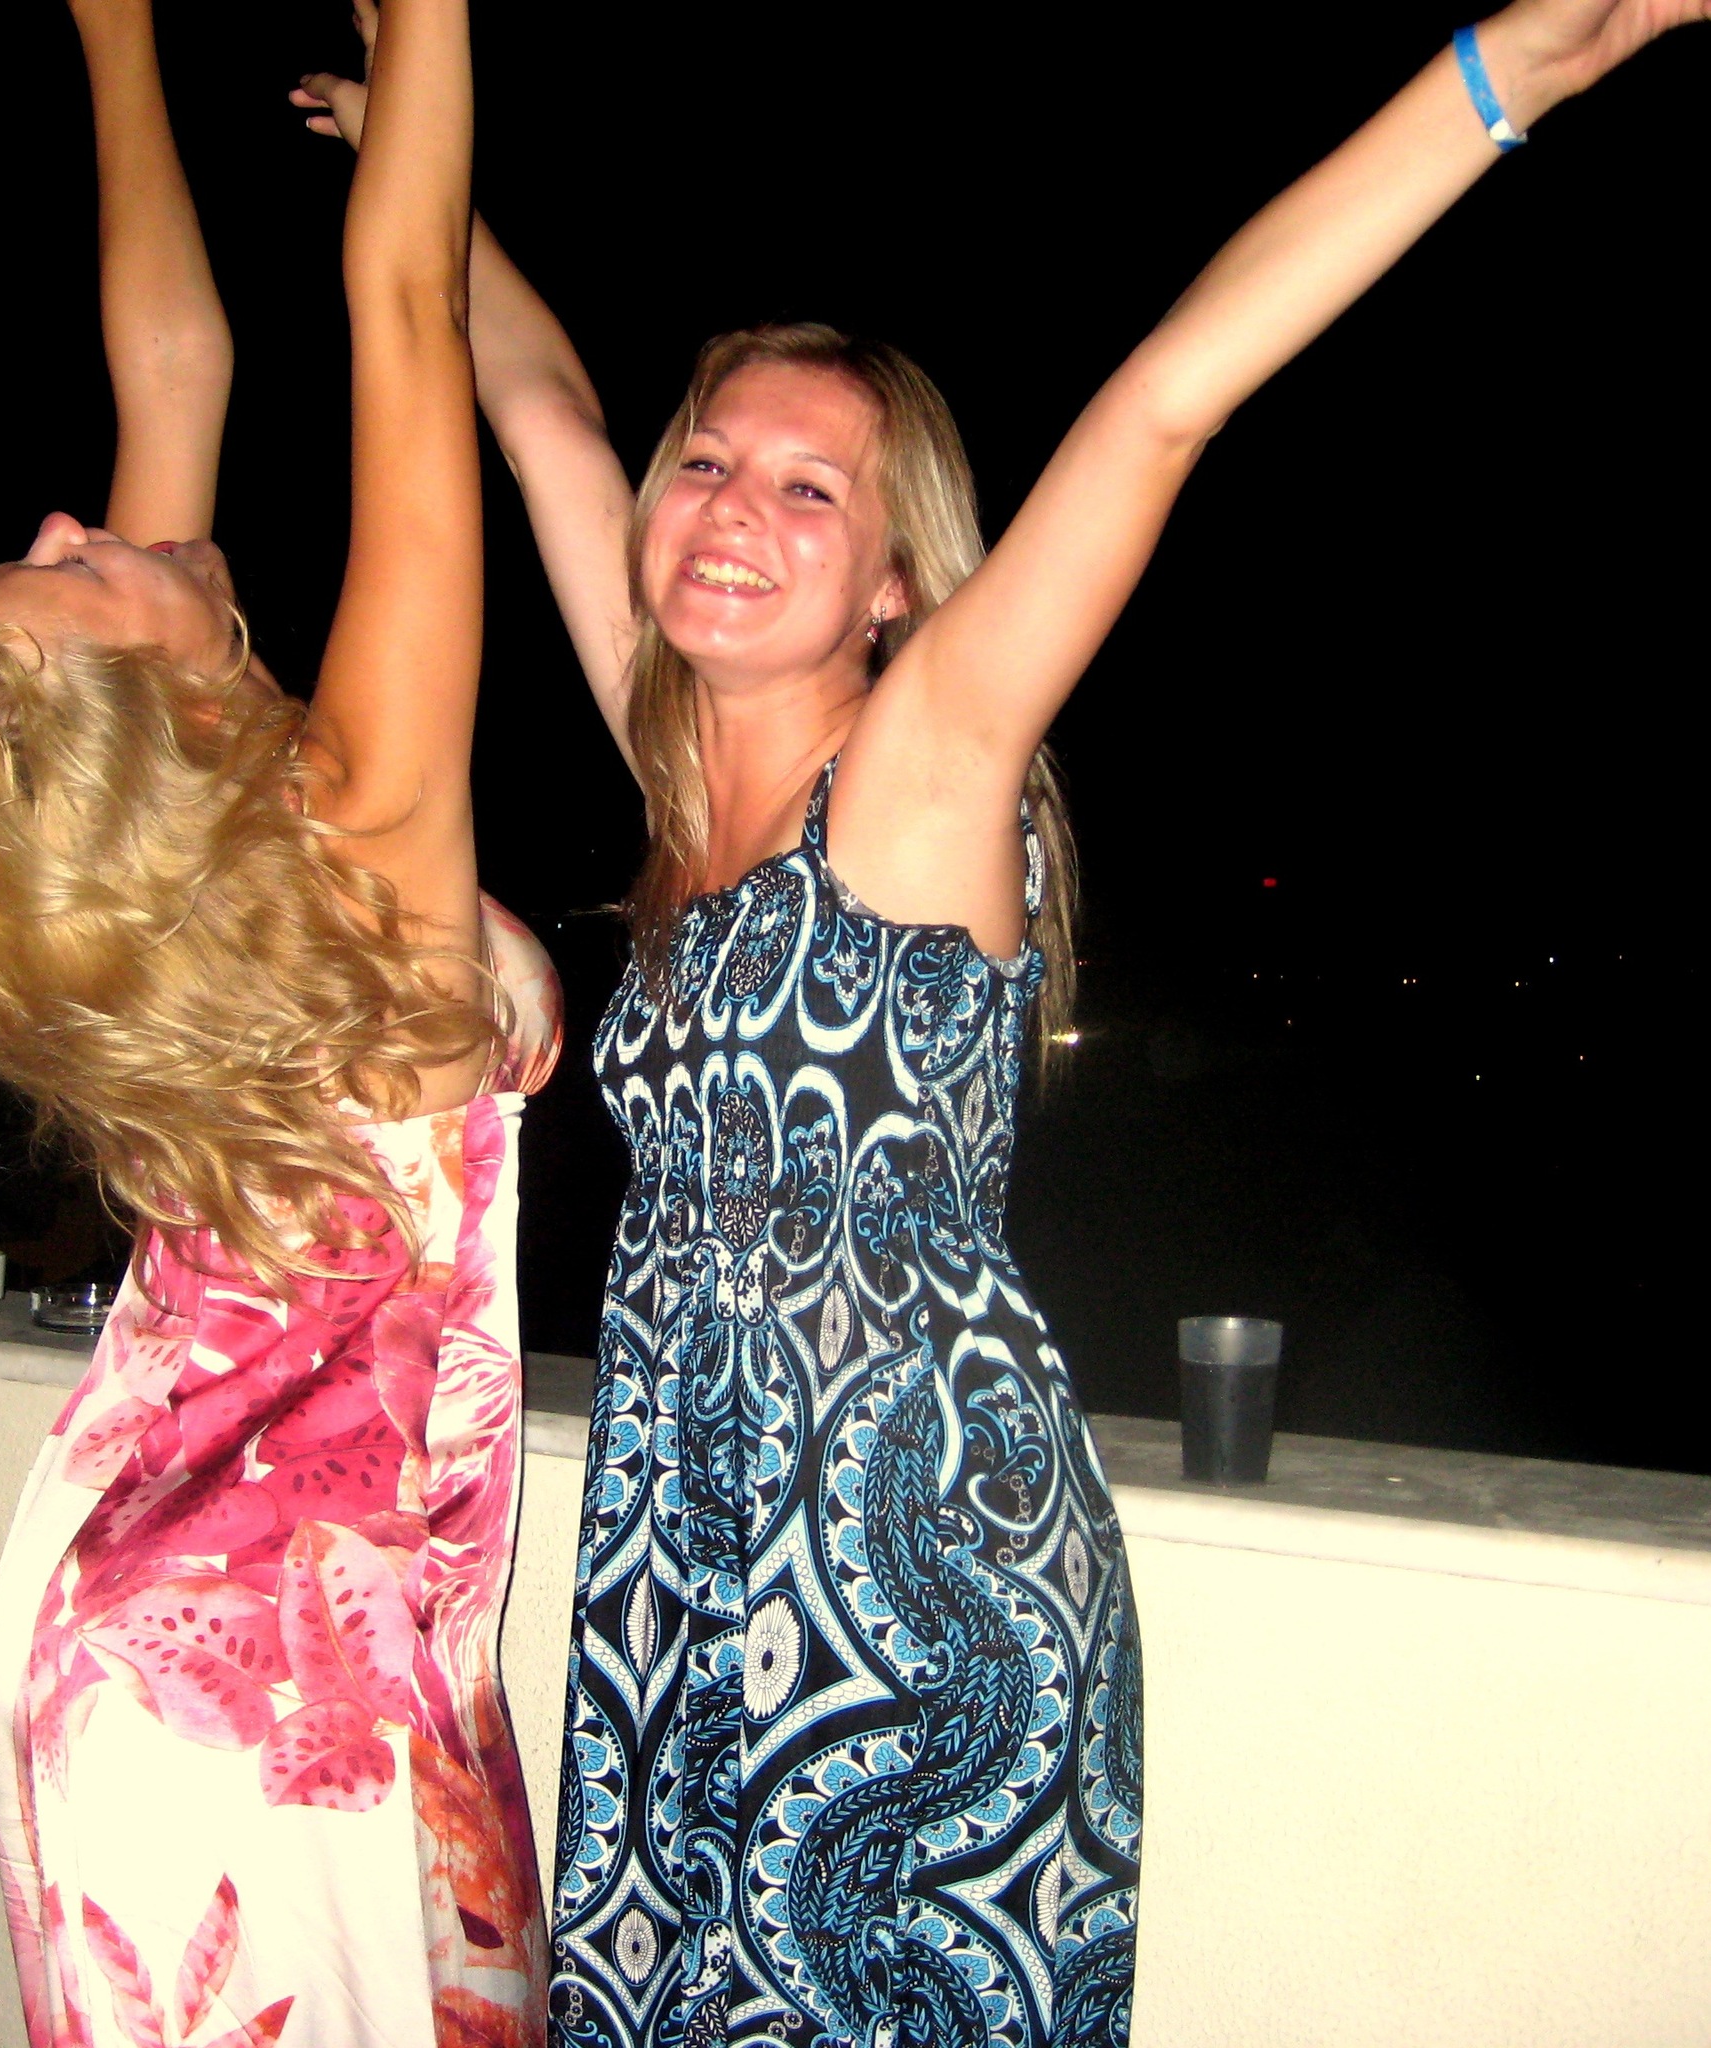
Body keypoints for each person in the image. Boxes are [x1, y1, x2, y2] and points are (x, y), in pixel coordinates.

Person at [295, 0, 1701, 2041]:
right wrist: (417, 167)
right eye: (713, 466)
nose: (732, 509)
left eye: (810, 490)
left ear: (891, 583)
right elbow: (544, 416)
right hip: (685, 1583)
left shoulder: (923, 760)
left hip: (919, 1599)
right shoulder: (683, 784)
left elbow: (1162, 402)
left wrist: (1502, 74)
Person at [0, 0, 559, 2040]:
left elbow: (178, 366)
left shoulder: (187, 950)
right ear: (152, 717)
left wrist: (115, 28)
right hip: (269, 1693)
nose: (72, 525)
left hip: (165, 1624)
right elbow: (402, 306)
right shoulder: (361, 862)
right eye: (72, 575)